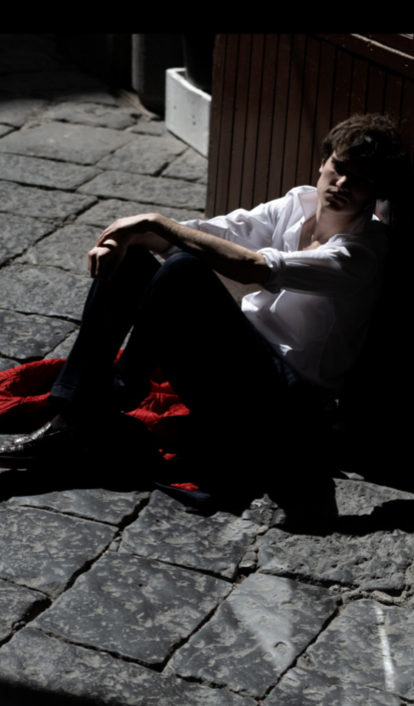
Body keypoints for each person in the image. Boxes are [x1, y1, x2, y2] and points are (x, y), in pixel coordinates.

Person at [0, 113, 408, 524]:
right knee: (134, 260)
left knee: (184, 269)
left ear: (375, 193)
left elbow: (251, 267)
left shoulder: (363, 250)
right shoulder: (297, 204)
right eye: (339, 167)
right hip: (238, 370)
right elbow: (213, 233)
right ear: (323, 162)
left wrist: (154, 222)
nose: (342, 183)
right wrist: (123, 237)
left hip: (285, 406)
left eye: (361, 179)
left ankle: (114, 393)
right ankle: (74, 414)